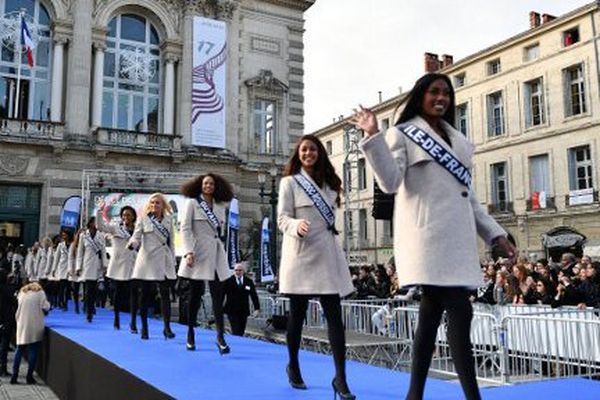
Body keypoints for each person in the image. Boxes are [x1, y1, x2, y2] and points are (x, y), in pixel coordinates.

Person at [353, 73, 516, 400]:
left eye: (446, 93)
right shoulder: (403, 134)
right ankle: (473, 396)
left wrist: (495, 235)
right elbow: (389, 182)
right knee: (460, 310)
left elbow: (467, 197)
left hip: (456, 240)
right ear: (420, 96)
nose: (441, 98)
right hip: (426, 240)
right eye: (433, 92)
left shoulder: (458, 140)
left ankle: (414, 394)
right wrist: (373, 136)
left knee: (429, 318)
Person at [278, 134, 355, 399]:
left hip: (326, 253)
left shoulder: (331, 184)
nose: (308, 153)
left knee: (335, 318)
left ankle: (341, 378)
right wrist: (295, 226)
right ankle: (294, 366)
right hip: (300, 253)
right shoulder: (289, 183)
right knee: (296, 318)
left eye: (312, 149)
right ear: (298, 155)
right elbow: (281, 218)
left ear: (319, 153)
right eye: (303, 150)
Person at [178, 173, 234, 353]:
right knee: (195, 294)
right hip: (198, 251)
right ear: (200, 185)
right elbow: (185, 229)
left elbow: (220, 230)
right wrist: (188, 252)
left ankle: (220, 336)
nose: (209, 186)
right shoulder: (192, 203)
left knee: (219, 295)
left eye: (212, 183)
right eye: (206, 183)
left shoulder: (220, 205)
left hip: (217, 251)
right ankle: (190, 332)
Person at [127, 193, 177, 340]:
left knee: (165, 295)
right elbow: (136, 237)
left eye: (158, 203)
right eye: (153, 203)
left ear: (163, 205)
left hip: (163, 260)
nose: (155, 205)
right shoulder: (144, 219)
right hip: (147, 260)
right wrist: (132, 244)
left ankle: (167, 327)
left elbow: (171, 242)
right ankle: (144, 327)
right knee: (145, 295)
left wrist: (173, 261)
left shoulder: (169, 220)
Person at [96, 202, 138, 331]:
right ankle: (116, 319)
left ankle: (133, 322)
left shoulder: (138, 230)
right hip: (118, 265)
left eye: (128, 215)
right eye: (124, 215)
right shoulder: (116, 228)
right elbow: (100, 226)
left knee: (133, 295)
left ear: (133, 217)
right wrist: (100, 211)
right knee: (118, 294)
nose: (125, 217)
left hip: (133, 265)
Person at [11, 282, 50, 384]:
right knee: (33, 350)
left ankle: (14, 376)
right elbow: (45, 307)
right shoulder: (40, 293)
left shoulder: (22, 292)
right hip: (35, 325)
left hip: (21, 324)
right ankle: (29, 377)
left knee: (19, 349)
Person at [75, 217, 107, 322]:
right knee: (88, 290)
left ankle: (91, 307)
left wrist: (104, 265)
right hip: (87, 265)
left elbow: (103, 251)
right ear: (90, 223)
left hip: (97, 266)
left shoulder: (101, 236)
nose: (95, 224)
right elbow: (80, 253)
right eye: (94, 222)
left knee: (94, 290)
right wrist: (78, 266)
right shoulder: (83, 236)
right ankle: (88, 312)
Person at [223, 263, 260, 336]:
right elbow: (222, 295)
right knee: (235, 331)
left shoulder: (248, 281)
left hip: (243, 311)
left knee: (241, 331)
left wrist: (257, 308)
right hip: (231, 311)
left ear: (243, 271)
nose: (238, 272)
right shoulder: (228, 281)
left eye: (240, 270)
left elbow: (254, 295)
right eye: (236, 270)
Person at [0, 269, 17, 376]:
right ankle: (3, 368)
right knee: (4, 345)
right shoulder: (9, 289)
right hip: (7, 321)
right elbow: (15, 302)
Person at [52, 230, 73, 311]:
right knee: (61, 287)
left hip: (70, 268)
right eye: (63, 235)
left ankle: (66, 302)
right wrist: (54, 269)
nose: (64, 237)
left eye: (65, 235)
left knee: (68, 287)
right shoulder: (60, 245)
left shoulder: (73, 244)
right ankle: (61, 302)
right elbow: (56, 258)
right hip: (62, 268)